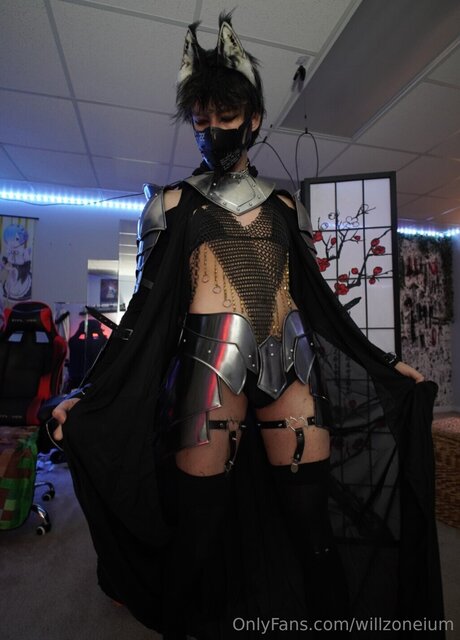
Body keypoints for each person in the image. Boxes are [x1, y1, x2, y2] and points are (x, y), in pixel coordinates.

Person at [52, 12, 445, 640]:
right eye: (200, 119)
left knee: (313, 530)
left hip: (291, 362)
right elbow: (143, 313)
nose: (212, 130)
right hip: (211, 368)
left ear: (254, 118)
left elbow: (319, 303)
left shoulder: (286, 207)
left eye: (226, 115)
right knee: (199, 533)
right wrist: (90, 391)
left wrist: (387, 364)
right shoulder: (173, 205)